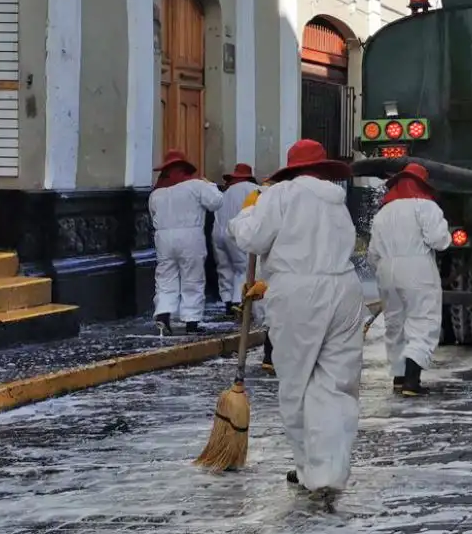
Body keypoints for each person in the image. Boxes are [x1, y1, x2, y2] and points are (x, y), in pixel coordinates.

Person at [229, 139, 364, 511]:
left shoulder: (280, 195)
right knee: (335, 384)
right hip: (344, 288)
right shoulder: (336, 201)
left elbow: (252, 238)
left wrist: (246, 214)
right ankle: (330, 471)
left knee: (297, 382)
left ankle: (309, 469)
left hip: (298, 294)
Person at [368, 163, 453, 398]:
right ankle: (412, 382)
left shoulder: (383, 212)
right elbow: (440, 241)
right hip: (416, 269)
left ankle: (399, 377)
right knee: (422, 321)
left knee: (395, 323)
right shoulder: (425, 206)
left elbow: (372, 252)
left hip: (386, 269)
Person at [149, 149, 223, 336]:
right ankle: (191, 321)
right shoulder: (196, 186)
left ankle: (163, 314)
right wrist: (211, 185)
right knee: (193, 277)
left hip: (163, 237)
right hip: (191, 235)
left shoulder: (156, 193)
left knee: (165, 277)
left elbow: (153, 216)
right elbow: (216, 202)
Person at [214, 163, 259, 317]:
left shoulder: (225, 192)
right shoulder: (252, 189)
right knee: (242, 267)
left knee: (224, 267)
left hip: (219, 232)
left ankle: (227, 301)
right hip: (237, 232)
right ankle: (237, 301)